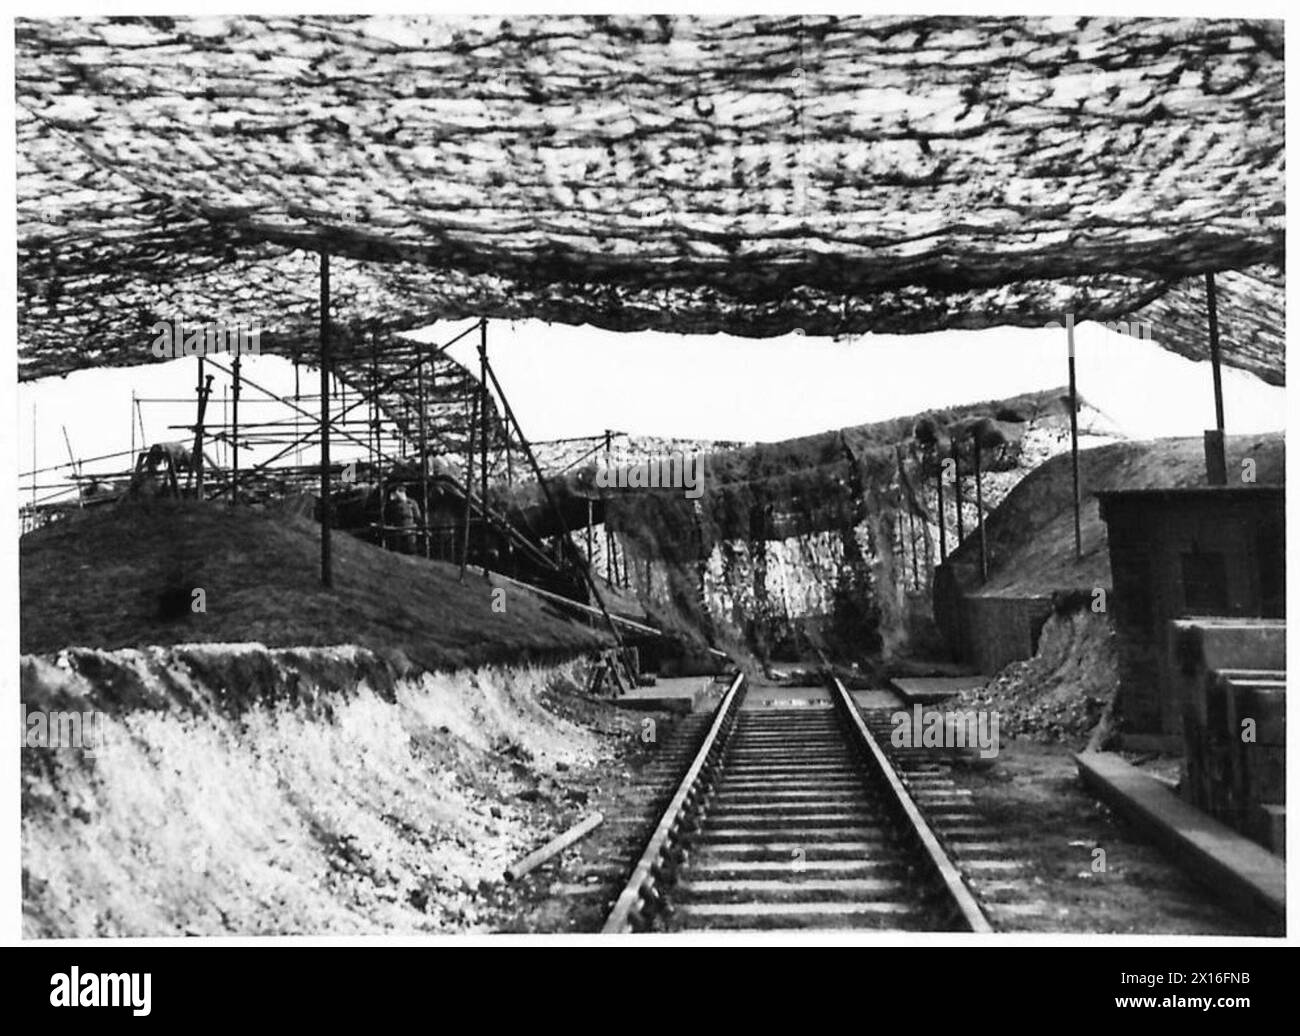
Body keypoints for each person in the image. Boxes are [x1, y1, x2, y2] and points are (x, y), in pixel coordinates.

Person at [385, 485, 421, 555]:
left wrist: (414, 525)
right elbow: (388, 517)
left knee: (411, 549)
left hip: (410, 530)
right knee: (398, 551)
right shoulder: (392, 504)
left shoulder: (412, 503)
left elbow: (417, 516)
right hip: (397, 531)